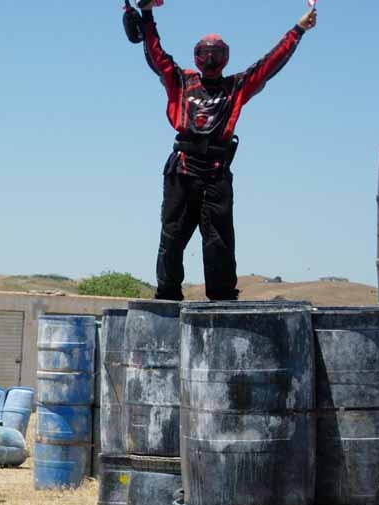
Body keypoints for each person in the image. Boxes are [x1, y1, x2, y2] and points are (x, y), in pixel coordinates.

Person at [135, 3, 317, 302]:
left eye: (216, 53)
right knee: (171, 238)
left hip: (216, 173)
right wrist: (147, 13)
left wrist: (298, 30)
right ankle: (167, 298)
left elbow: (269, 64)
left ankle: (221, 302)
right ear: (197, 55)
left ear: (225, 57)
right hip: (182, 171)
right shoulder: (180, 80)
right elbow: (155, 54)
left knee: (219, 242)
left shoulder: (236, 86)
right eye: (206, 53)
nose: (210, 58)